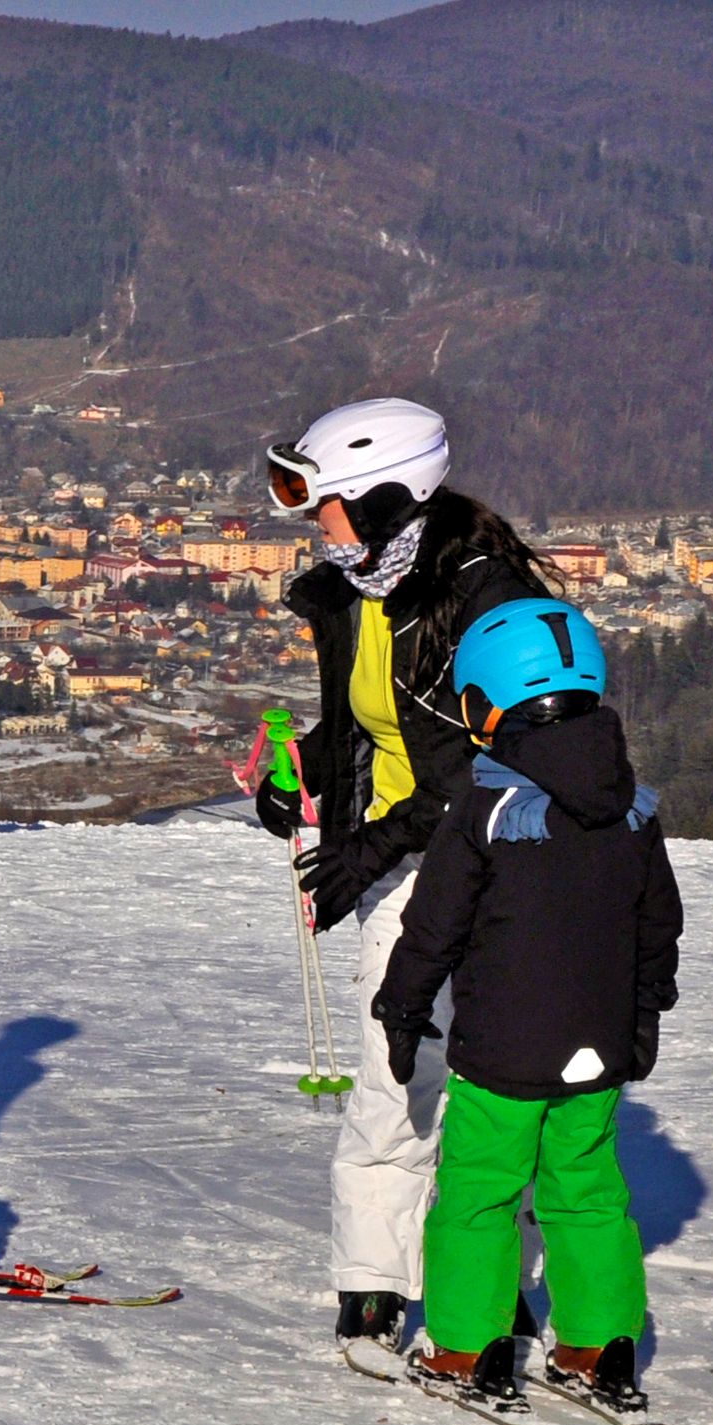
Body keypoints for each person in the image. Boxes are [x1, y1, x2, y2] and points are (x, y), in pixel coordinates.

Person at [254, 397, 550, 1354]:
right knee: (397, 1068)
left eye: (322, 502)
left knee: (493, 1076)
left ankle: (482, 1272)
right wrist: (294, 777)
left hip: (502, 862)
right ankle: (376, 1280)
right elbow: (357, 728)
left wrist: (364, 848)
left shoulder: (481, 594)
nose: (311, 522)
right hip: (400, 865)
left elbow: (480, 769)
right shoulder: (351, 593)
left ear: (386, 500)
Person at [371, 597, 682, 1418]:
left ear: (488, 705)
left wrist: (401, 1011)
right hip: (598, 1051)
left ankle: (467, 1348)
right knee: (587, 1190)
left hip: (504, 1050)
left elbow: (431, 927)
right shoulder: (633, 809)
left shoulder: (485, 810)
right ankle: (598, 1344)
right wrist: (643, 1013)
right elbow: (659, 925)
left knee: (478, 1191)